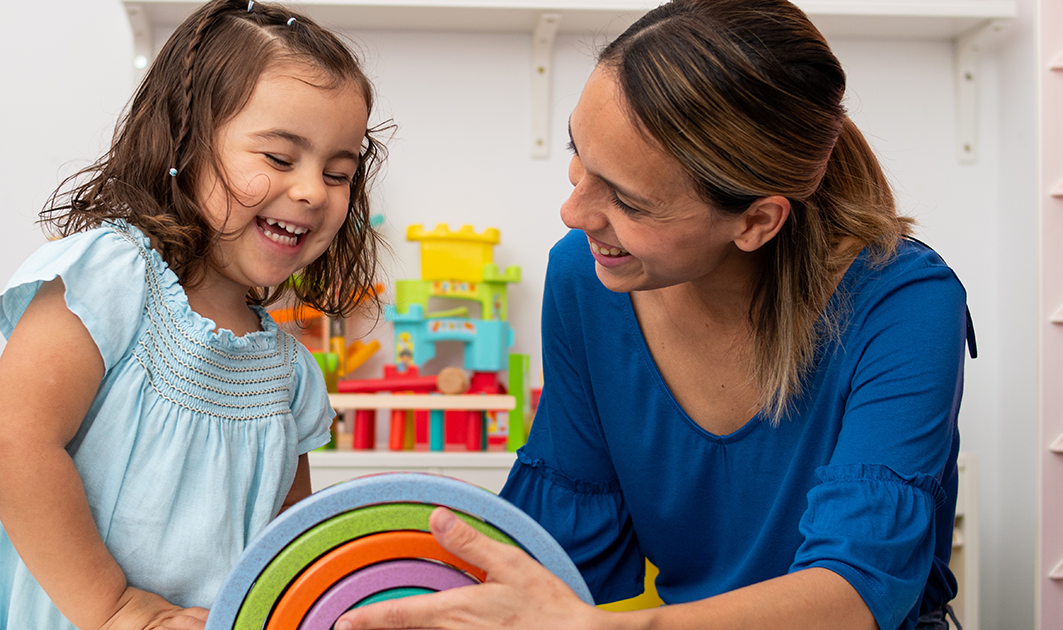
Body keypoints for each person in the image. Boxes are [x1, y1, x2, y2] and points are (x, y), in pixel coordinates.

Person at [336, 1, 971, 630]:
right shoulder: (586, 279)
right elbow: (562, 550)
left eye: (628, 201)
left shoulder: (905, 303)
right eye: (579, 154)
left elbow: (856, 594)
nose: (574, 212)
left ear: (755, 221)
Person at [0, 2, 386, 629]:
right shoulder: (111, 277)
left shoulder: (290, 375)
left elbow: (289, 554)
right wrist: (118, 609)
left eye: (338, 172)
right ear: (184, 142)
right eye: (281, 159)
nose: (314, 191)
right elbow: (12, 443)